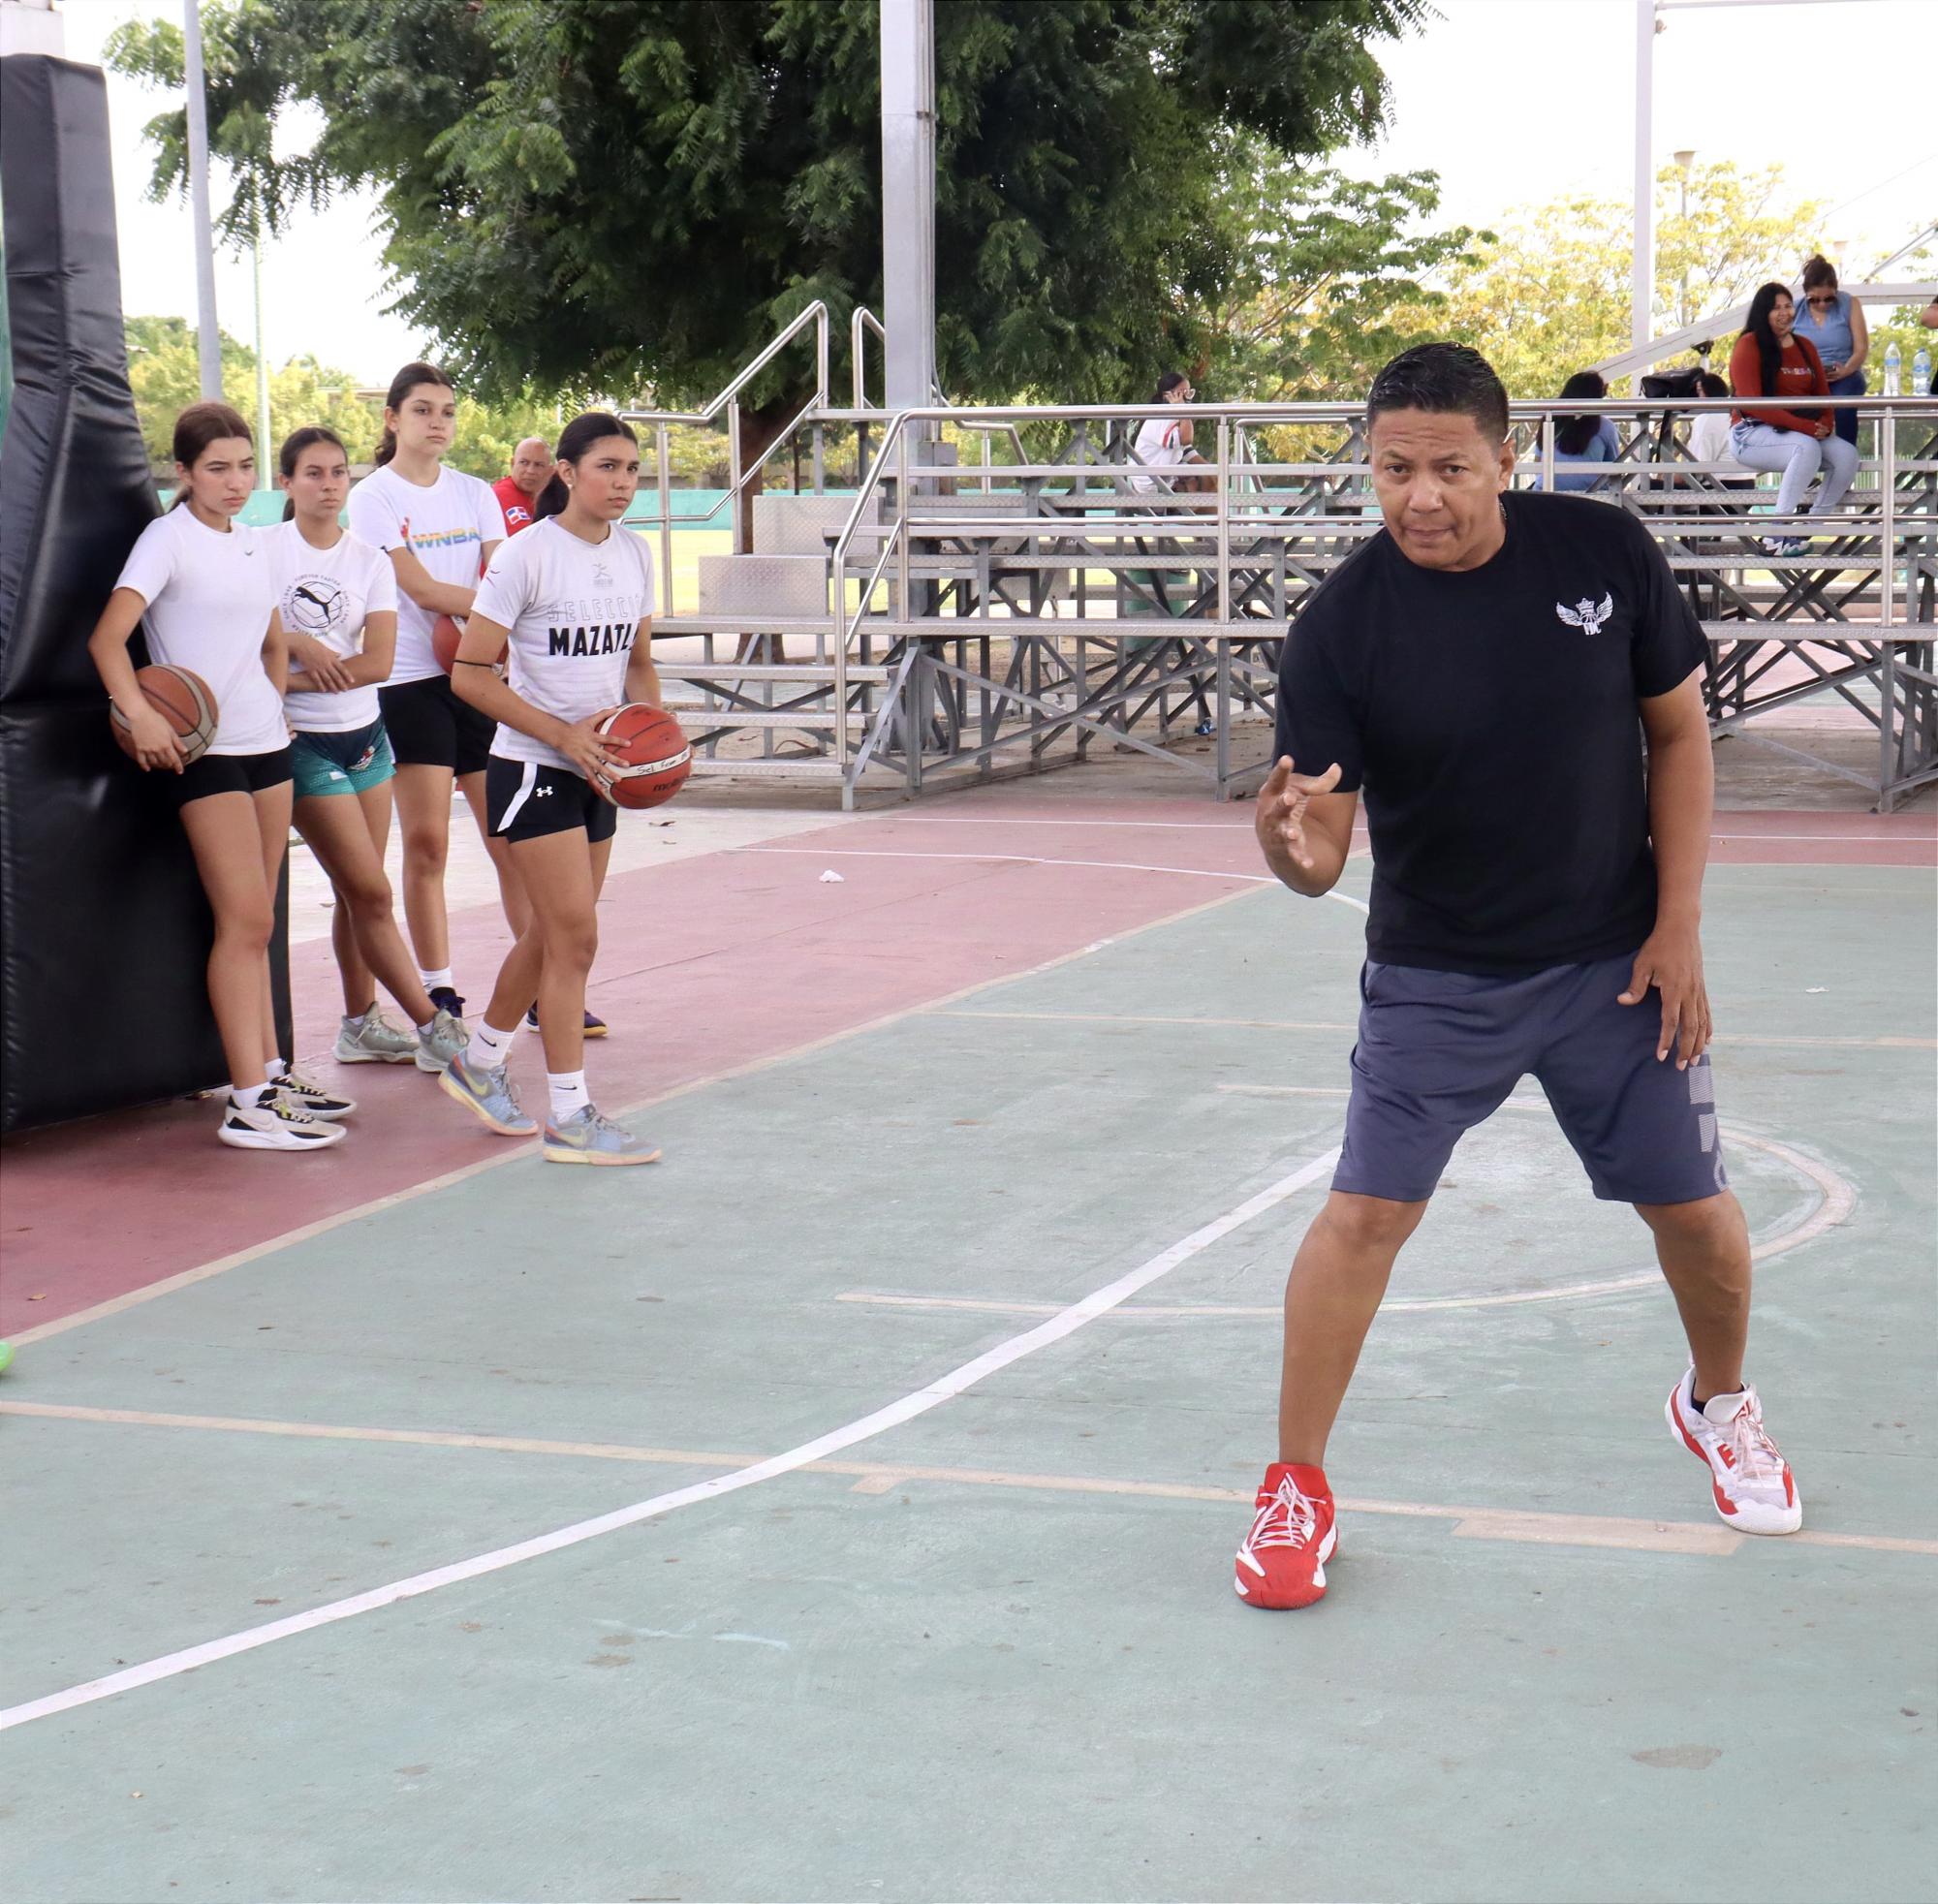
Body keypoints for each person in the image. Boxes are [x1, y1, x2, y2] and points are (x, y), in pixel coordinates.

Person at [1236, 341, 1799, 1611]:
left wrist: (1680, 925)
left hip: (1616, 957)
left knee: (1698, 1217)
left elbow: (1678, 733)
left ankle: (1719, 1405)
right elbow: (1322, 852)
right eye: (1393, 470)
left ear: (1507, 456)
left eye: (1447, 467)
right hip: (1439, 975)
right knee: (1363, 1219)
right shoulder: (1342, 629)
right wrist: (1286, 846)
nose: (1419, 496)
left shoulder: (1603, 557)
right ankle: (1295, 1487)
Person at [87, 402, 352, 1150]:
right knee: (245, 919)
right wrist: (137, 711)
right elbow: (108, 638)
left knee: (262, 921)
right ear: (184, 472)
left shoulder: (256, 543)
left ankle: (270, 1067)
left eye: (243, 466)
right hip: (200, 753)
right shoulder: (165, 539)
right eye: (217, 468)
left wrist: (274, 699)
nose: (235, 482)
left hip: (267, 743)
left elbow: (273, 636)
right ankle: (246, 1103)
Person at [439, 413, 665, 1165]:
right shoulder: (525, 557)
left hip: (600, 767)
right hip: (532, 765)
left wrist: (656, 733)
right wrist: (562, 732)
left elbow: (635, 661)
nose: (623, 482)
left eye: (632, 468)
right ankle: (570, 1114)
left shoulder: (634, 555)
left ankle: (479, 1060)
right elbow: (469, 673)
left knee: (551, 936)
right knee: (576, 936)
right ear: (567, 472)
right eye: (607, 466)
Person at [269, 424, 467, 1074]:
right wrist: (302, 651)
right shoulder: (261, 554)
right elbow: (245, 659)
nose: (329, 487)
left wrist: (292, 670)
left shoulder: (368, 560)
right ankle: (434, 1022)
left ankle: (358, 1025)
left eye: (338, 474)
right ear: (287, 481)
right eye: (314, 474)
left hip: (367, 738)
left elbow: (378, 662)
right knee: (373, 892)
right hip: (301, 744)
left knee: (358, 894)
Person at [1727, 282, 1859, 555]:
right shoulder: (1749, 344)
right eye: (1776, 308)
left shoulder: (1805, 346)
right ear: (1763, 312)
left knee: (1847, 455)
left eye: (1788, 306)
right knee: (1805, 446)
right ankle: (1776, 534)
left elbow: (1823, 396)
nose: (1784, 312)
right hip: (1751, 432)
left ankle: (1804, 530)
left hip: (1800, 431)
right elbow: (1755, 405)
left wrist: (1826, 425)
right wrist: (1807, 428)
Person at [1792, 256, 1868, 448]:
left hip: (1845, 375)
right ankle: (1805, 463)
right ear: (1805, 294)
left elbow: (1861, 347)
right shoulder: (1794, 310)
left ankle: (1846, 456)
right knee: (1798, 410)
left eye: (1829, 299)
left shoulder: (1849, 303)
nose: (1822, 304)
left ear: (1836, 290)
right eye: (1814, 300)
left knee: (1842, 408)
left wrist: (1847, 369)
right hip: (1808, 378)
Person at [1534, 370, 1620, 491]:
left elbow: (1537, 460)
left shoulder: (1549, 420)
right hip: (1591, 496)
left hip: (1546, 491)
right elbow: (1614, 467)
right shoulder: (1605, 426)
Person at [1127, 372, 1210, 493]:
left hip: (1162, 478)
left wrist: (1214, 471)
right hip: (1150, 484)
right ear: (1167, 396)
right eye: (1182, 393)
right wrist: (1182, 409)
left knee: (1207, 478)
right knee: (1198, 484)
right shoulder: (1162, 418)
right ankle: (1219, 509)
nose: (1187, 398)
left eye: (1189, 393)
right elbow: (1186, 439)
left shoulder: (1174, 417)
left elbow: (1187, 449)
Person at [493, 437, 553, 537]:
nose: (530, 470)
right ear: (513, 464)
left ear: (549, 471)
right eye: (524, 462)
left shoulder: (548, 496)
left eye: (538, 465)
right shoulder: (502, 493)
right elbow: (529, 538)